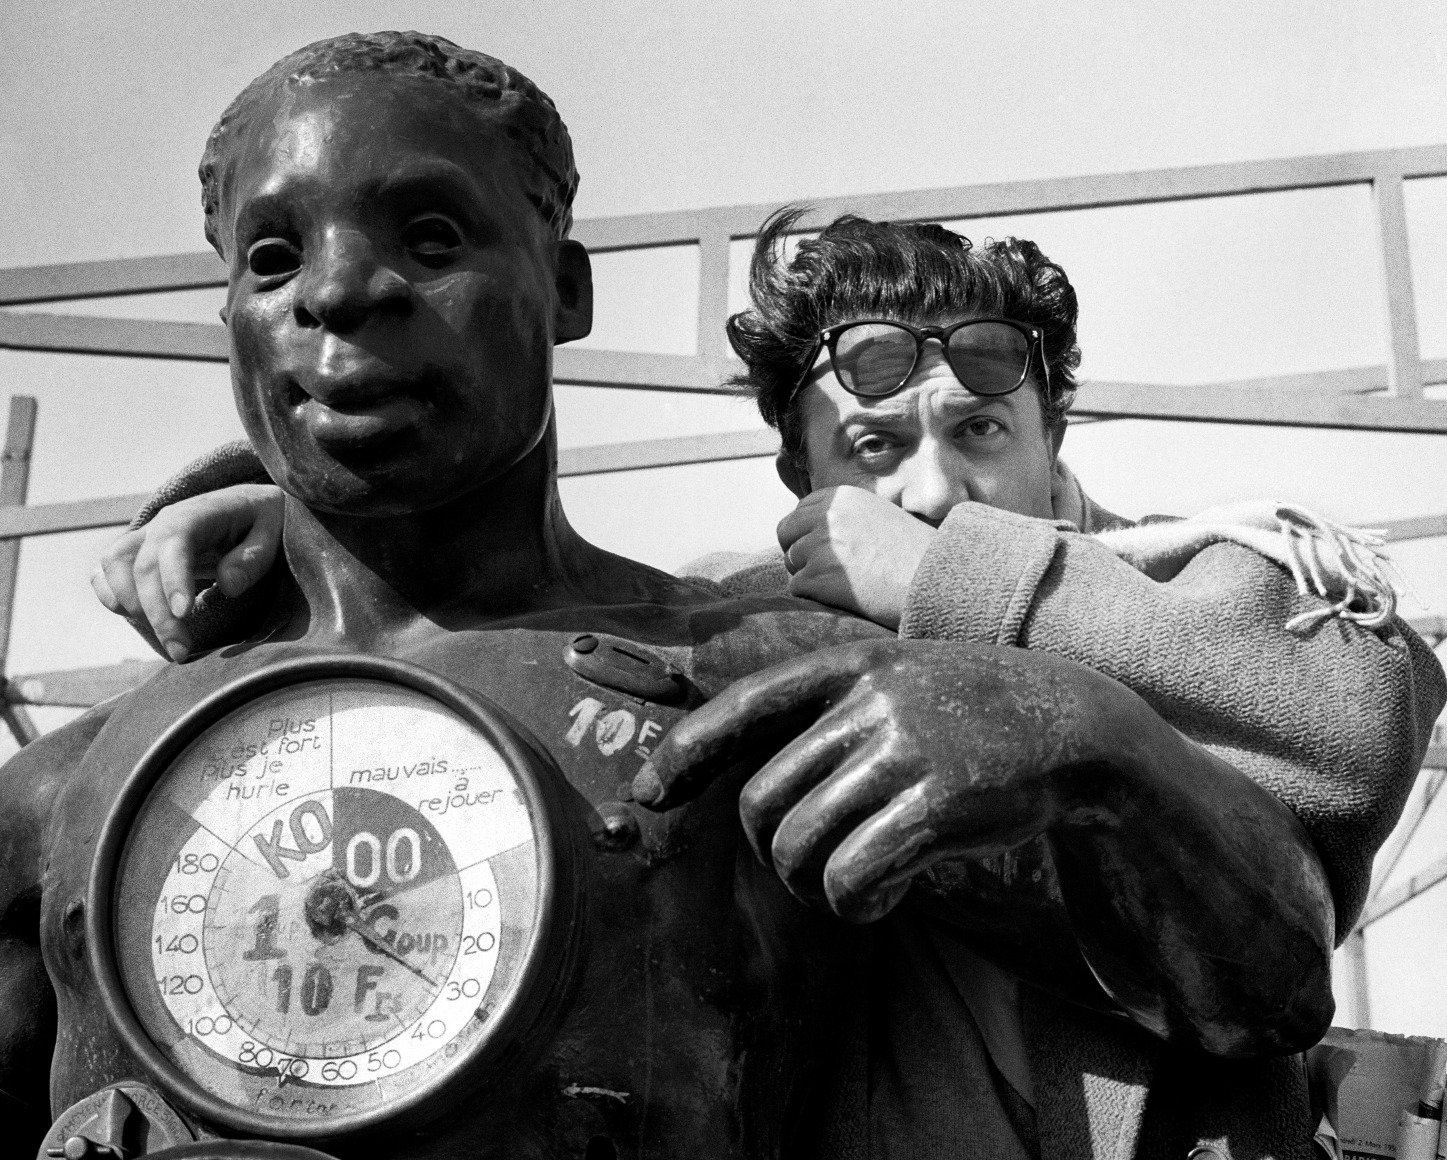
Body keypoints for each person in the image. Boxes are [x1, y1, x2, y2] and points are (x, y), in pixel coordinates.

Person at [81, 48, 1435, 1160]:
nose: (931, 487)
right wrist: (295, 501)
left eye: (980, 429)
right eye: (873, 449)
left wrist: (991, 623)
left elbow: (1344, 739)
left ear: (1055, 422)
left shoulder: (1220, 569)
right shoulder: (750, 655)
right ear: (798, 488)